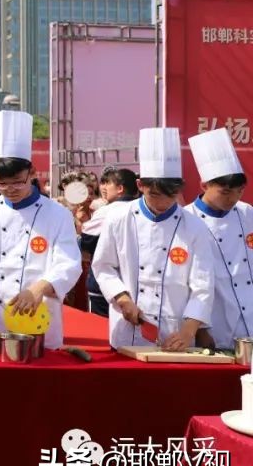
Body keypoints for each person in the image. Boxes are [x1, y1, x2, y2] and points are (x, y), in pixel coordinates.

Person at [0, 111, 81, 348]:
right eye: (1, 183)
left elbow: (69, 264)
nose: (9, 189)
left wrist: (39, 287)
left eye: (17, 182)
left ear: (32, 173)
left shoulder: (57, 214)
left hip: (37, 323)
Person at [92, 128, 215, 351]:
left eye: (171, 195)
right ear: (140, 186)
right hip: (127, 331)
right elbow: (103, 266)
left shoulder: (195, 226)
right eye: (155, 194)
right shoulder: (118, 218)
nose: (164, 202)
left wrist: (189, 331)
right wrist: (122, 298)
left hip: (176, 334)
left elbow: (203, 287)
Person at [185, 129, 252, 350]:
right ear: (204, 185)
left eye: (239, 192)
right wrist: (201, 328)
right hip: (216, 324)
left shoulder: (248, 213)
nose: (233, 199)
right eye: (225, 192)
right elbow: (186, 282)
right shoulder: (186, 220)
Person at [78, 167, 139, 316]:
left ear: (120, 188)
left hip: (104, 287)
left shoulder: (106, 211)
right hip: (136, 286)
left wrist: (79, 228)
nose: (103, 187)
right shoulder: (144, 210)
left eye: (107, 183)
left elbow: (86, 243)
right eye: (103, 183)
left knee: (100, 332)